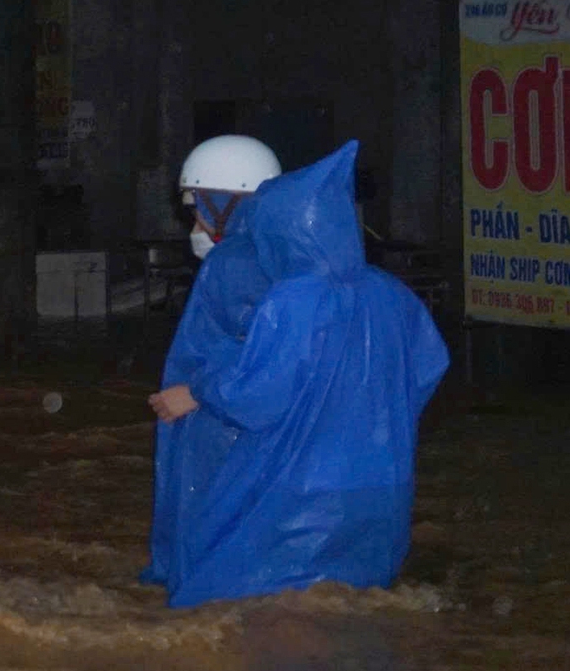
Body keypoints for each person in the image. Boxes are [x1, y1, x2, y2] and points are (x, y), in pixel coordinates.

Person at [148, 141, 449, 607]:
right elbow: (428, 368)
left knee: (259, 617)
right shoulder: (389, 291)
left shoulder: (294, 300)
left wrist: (200, 390)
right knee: (355, 616)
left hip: (300, 502)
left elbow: (260, 396)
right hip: (380, 494)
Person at [142, 135, 281, 585]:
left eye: (197, 203)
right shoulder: (269, 256)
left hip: (226, 431)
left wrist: (199, 394)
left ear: (224, 202)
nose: (195, 219)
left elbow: (267, 357)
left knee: (216, 559)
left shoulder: (238, 264)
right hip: (237, 427)